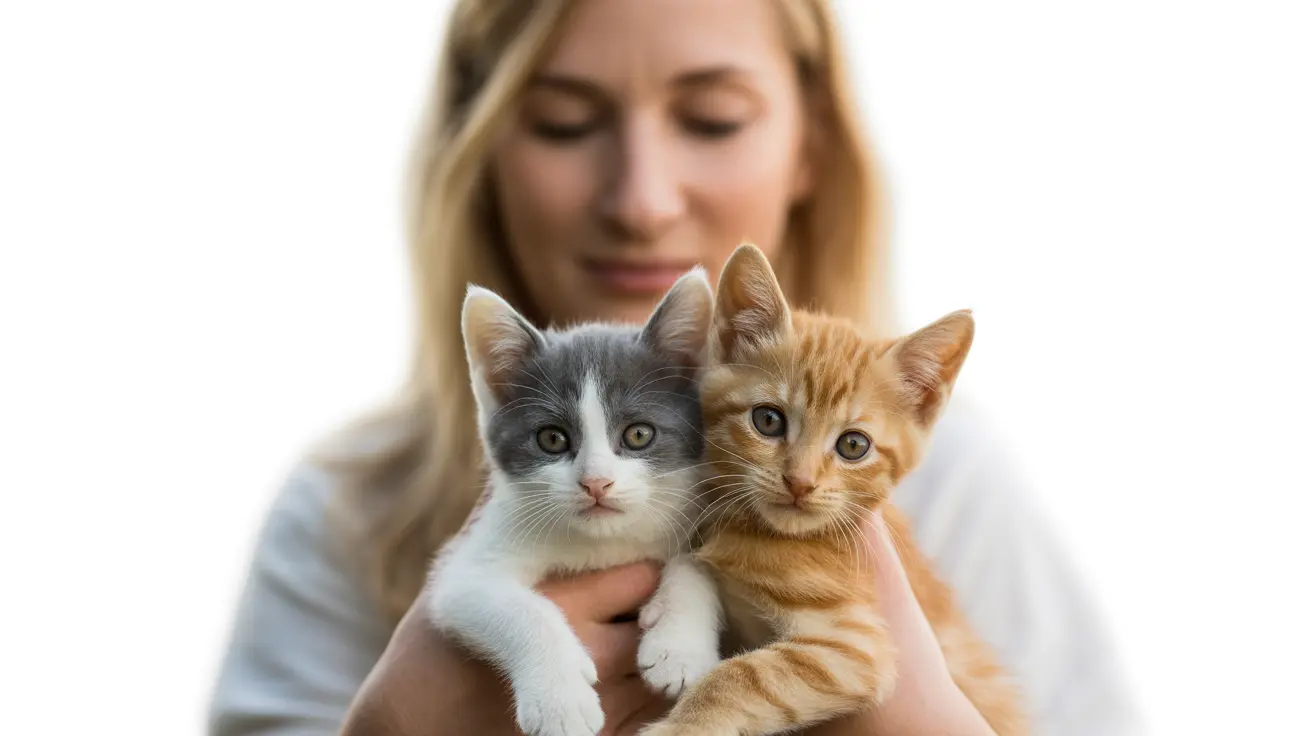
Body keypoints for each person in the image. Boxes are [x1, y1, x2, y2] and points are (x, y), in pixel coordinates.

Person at [207, 1, 1142, 734]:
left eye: (712, 117)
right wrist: (391, 729)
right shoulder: (339, 511)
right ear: (478, 149)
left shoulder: (950, 485)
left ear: (810, 146)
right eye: (566, 124)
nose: (643, 202)